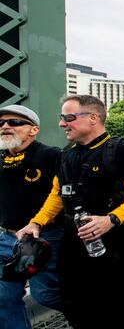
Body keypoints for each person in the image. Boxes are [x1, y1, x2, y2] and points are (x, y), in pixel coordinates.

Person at [17, 95, 124, 328]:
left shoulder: (121, 150)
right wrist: (36, 223)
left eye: (68, 117)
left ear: (93, 118)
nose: (62, 123)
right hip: (74, 239)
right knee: (72, 299)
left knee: (113, 301)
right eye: (62, 118)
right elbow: (57, 195)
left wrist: (111, 219)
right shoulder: (67, 155)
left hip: (113, 240)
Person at [0, 105, 63, 329]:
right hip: (7, 238)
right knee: (3, 298)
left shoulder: (51, 155)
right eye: (1, 123)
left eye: (15, 122)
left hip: (43, 237)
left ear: (34, 130)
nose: (5, 126)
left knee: (46, 294)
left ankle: (112, 318)